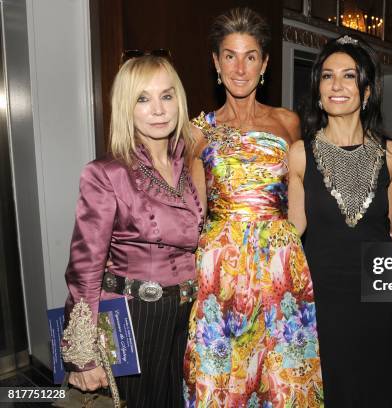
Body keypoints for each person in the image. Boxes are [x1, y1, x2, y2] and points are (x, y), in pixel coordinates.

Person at [183, 8, 324, 407]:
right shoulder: (199, 130)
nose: (239, 68)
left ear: (264, 64)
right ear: (216, 62)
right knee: (219, 379)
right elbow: (196, 213)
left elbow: (300, 204)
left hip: (279, 268)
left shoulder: (287, 124)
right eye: (229, 55)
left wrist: (287, 248)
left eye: (250, 56)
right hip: (220, 271)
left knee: (284, 381)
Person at [61, 55, 204, 407]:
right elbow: (85, 268)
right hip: (134, 318)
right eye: (143, 98)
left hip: (183, 316)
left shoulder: (186, 168)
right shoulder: (106, 173)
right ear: (127, 107)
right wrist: (83, 356)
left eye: (166, 96)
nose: (158, 109)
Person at [288, 35, 392, 407]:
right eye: (326, 76)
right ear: (318, 90)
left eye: (348, 76)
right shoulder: (299, 154)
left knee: (374, 388)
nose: (336, 85)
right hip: (323, 297)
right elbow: (292, 232)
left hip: (379, 297)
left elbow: (391, 228)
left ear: (367, 90)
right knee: (329, 390)